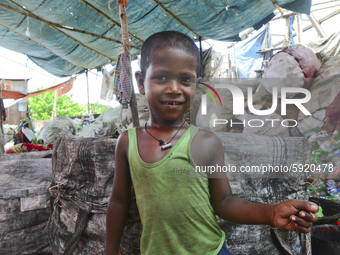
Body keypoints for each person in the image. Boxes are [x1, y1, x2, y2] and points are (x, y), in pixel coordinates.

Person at [105, 31, 318, 255]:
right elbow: (118, 203)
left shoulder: (206, 141)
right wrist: (109, 251)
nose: (175, 89)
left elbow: (224, 201)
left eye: (186, 79)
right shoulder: (128, 142)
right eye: (161, 77)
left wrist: (272, 213)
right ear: (141, 82)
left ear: (197, 85)